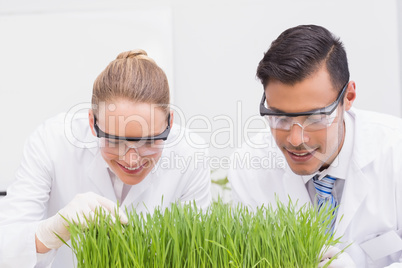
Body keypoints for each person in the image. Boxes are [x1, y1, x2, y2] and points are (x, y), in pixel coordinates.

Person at [0, 49, 211, 267]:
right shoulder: (52, 142)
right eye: (116, 141)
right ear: (92, 122)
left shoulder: (190, 155)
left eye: (149, 141)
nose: (131, 159)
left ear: (170, 122)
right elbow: (5, 246)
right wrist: (49, 233)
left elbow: (196, 254)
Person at [228, 25, 402, 267]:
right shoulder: (249, 167)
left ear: (348, 97)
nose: (296, 140)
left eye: (316, 118)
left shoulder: (396, 151)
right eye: (281, 118)